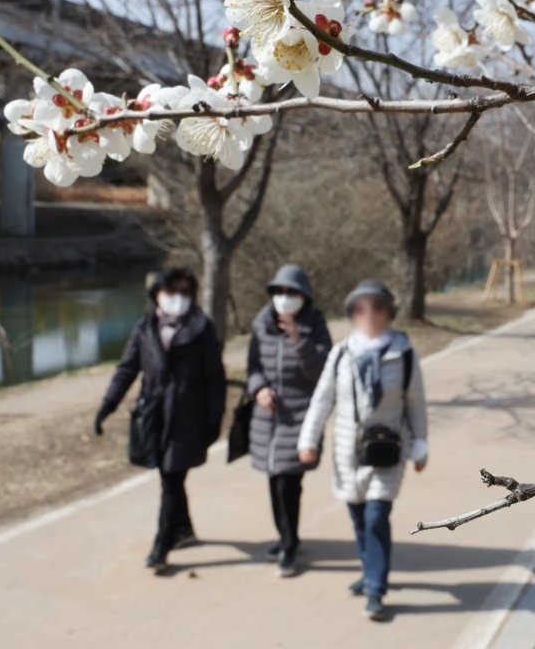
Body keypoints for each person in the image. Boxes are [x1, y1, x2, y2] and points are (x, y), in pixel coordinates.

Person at [297, 279, 428, 621]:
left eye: (377, 307)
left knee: (375, 517)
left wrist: (420, 445)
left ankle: (375, 588)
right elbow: (322, 399)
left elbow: (415, 404)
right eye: (360, 307)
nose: (368, 314)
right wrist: (308, 441)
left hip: (388, 451)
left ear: (389, 312)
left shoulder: (404, 353)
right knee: (357, 517)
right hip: (347, 451)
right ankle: (368, 569)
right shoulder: (341, 353)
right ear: (352, 313)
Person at [94, 267, 226, 573]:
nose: (177, 298)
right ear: (157, 294)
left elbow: (215, 380)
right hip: (154, 417)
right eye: (171, 292)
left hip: (187, 418)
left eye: (184, 292)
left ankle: (160, 545)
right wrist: (107, 405)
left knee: (170, 477)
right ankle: (183, 530)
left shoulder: (201, 328)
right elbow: (127, 369)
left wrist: (213, 419)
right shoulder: (145, 327)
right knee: (169, 477)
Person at [247, 264, 332, 577]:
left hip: (300, 416)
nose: (284, 298)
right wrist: (259, 390)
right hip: (268, 418)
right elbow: (253, 366)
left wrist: (298, 338)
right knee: (274, 480)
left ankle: (288, 545)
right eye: (279, 292)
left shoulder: (316, 324)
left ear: (304, 296)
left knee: (289, 483)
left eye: (291, 293)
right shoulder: (261, 323)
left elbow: (323, 371)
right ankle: (286, 537)